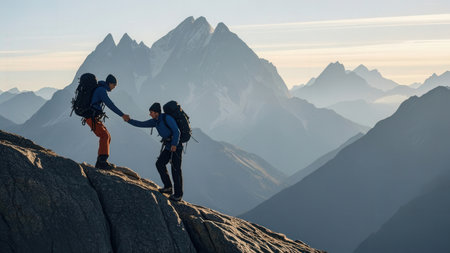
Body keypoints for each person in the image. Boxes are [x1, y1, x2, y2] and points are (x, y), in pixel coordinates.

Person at [127, 102, 184, 201]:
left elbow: (176, 131)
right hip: (168, 146)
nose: (150, 114)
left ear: (157, 112)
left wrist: (174, 144)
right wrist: (129, 120)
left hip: (176, 147)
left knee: (175, 170)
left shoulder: (167, 118)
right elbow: (141, 124)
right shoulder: (155, 121)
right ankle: (168, 188)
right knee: (160, 164)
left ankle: (178, 195)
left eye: (151, 112)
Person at [86, 74, 130, 169]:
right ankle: (101, 163)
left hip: (93, 117)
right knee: (104, 135)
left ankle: (101, 161)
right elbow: (110, 104)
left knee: (107, 136)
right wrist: (122, 115)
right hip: (91, 117)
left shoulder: (100, 88)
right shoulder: (101, 90)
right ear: (110, 83)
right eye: (114, 85)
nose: (114, 87)